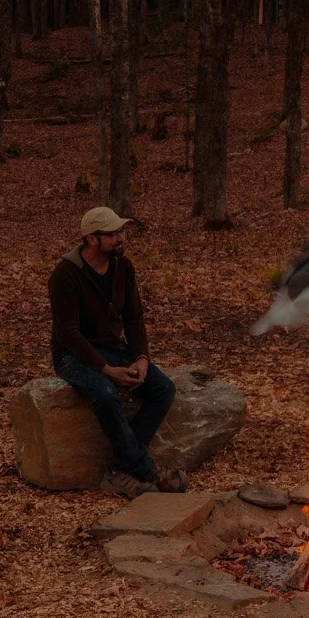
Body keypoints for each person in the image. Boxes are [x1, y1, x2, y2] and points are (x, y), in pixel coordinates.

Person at [48, 207, 187, 496]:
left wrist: (141, 358)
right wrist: (105, 369)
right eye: (111, 234)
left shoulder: (123, 267)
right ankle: (147, 470)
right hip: (72, 355)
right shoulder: (66, 274)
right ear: (91, 239)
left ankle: (119, 470)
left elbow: (134, 318)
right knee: (106, 394)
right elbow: (67, 333)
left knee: (163, 389)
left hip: (113, 348)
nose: (120, 238)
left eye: (120, 232)